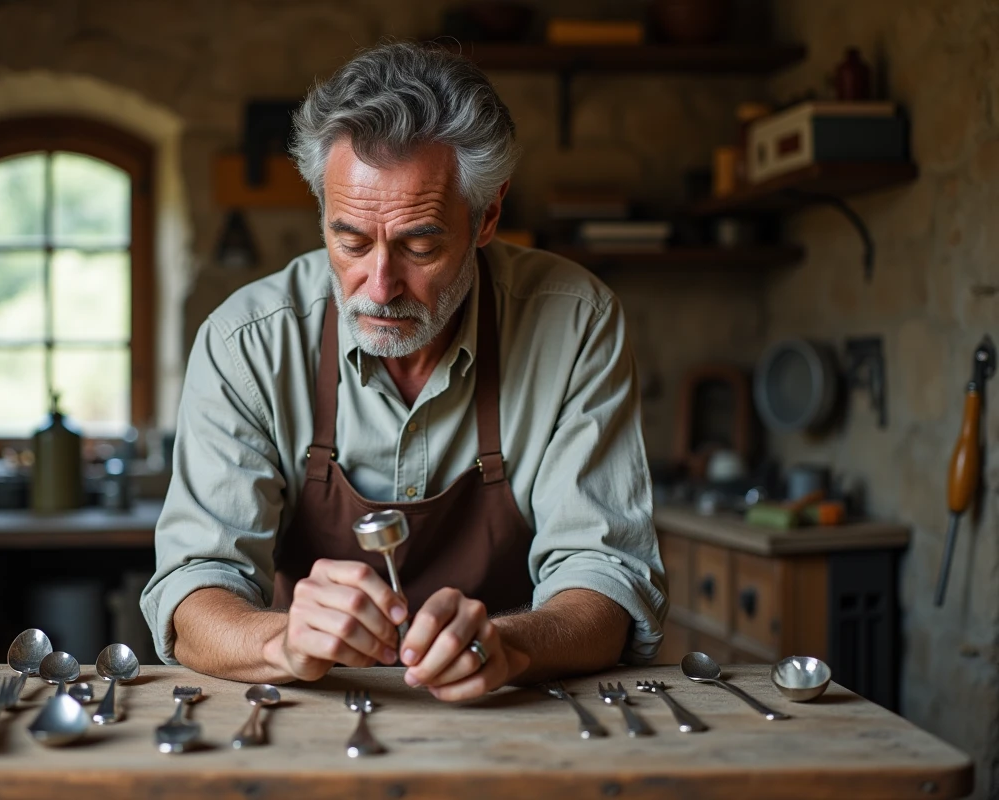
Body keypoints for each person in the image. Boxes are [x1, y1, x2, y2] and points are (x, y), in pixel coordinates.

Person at [141, 41, 666, 702]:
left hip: (513, 707)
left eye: (420, 244)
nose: (380, 285)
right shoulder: (246, 343)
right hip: (311, 706)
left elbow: (607, 580)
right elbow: (195, 594)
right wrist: (281, 642)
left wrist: (512, 646)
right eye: (351, 241)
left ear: (488, 217)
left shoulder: (575, 322)